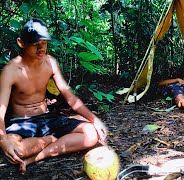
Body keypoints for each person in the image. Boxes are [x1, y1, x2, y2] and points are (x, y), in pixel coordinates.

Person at [0, 18, 107, 173]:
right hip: (21, 123)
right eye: (35, 43)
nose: (41, 48)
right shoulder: (10, 71)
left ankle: (38, 156)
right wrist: (3, 139)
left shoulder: (50, 62)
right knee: (15, 151)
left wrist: (94, 119)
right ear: (21, 43)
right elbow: (1, 111)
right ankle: (52, 140)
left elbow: (70, 97)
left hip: (47, 119)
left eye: (44, 42)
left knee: (91, 134)